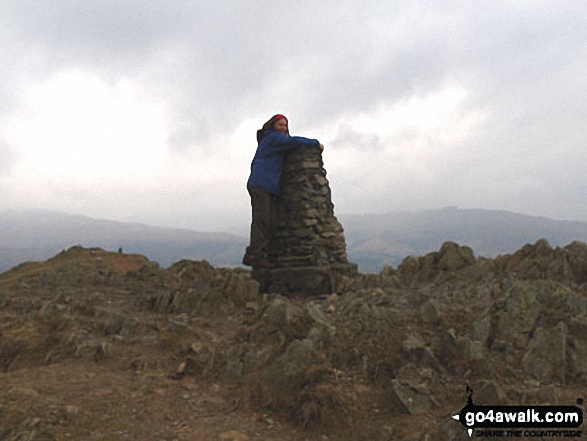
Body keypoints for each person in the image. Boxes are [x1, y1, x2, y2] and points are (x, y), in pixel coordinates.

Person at [243, 114, 324, 269]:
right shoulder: (272, 139)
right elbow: (293, 141)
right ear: (273, 125)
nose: (283, 128)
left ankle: (254, 254)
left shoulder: (275, 140)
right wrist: (316, 144)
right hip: (261, 185)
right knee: (263, 220)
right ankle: (256, 256)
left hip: (266, 186)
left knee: (271, 221)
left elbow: (290, 142)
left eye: (285, 125)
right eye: (280, 124)